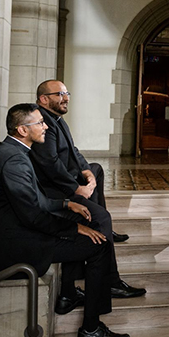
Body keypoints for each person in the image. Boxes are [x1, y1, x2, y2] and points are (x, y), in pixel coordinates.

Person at [0, 104, 130, 337]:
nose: (45, 126)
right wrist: (73, 229)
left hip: (19, 231)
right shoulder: (14, 159)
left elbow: (35, 200)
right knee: (98, 245)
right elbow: (33, 215)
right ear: (23, 130)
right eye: (39, 123)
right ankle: (91, 329)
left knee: (89, 221)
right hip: (12, 246)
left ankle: (71, 293)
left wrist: (67, 204)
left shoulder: (14, 151)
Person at [31, 80, 145, 300]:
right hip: (54, 191)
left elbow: (73, 150)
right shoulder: (42, 121)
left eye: (67, 93)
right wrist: (76, 188)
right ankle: (111, 281)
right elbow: (50, 164)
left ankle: (105, 230)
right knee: (101, 217)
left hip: (67, 177)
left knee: (97, 169)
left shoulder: (57, 119)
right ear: (44, 99)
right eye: (60, 94)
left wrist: (86, 172)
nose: (66, 98)